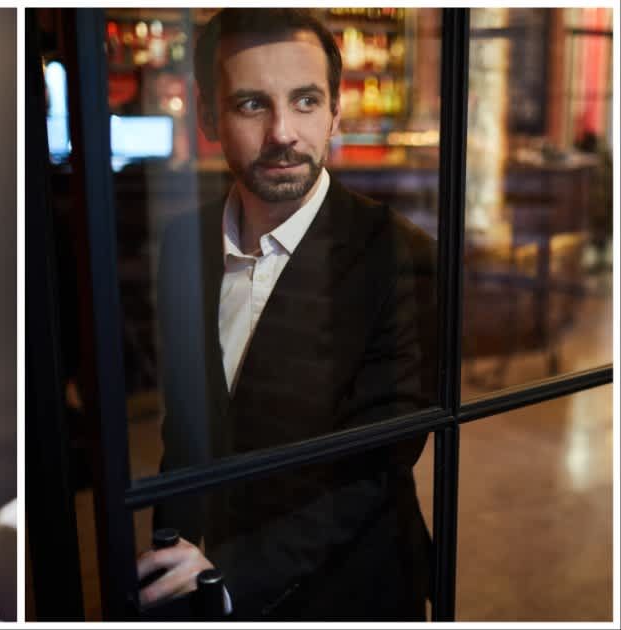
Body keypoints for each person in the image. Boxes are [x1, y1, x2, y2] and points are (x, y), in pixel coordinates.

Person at [137, 9, 437, 620]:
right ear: (207, 115)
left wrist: (227, 579)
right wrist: (173, 557)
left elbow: (372, 471)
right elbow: (185, 428)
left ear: (335, 111)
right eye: (252, 104)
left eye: (305, 101)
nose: (282, 132)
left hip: (350, 590)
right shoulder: (182, 244)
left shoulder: (401, 255)